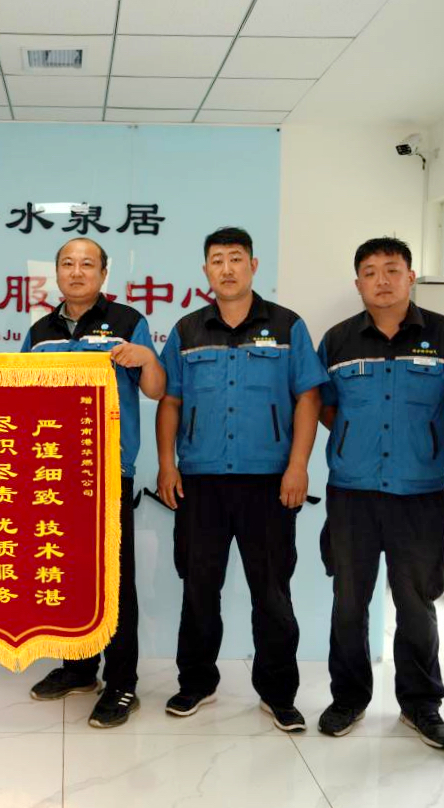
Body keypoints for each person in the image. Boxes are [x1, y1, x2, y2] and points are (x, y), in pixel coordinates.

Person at [156, 226, 326, 730]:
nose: (226, 268)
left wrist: (298, 465)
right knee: (198, 587)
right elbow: (170, 400)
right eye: (217, 260)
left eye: (235, 258)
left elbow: (308, 398)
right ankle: (196, 683)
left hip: (268, 482)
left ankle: (278, 692)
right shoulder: (187, 330)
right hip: (201, 482)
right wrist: (167, 463)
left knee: (272, 591)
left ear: (253, 266)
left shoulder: (287, 326)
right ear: (205, 270)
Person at [314, 237, 444, 747]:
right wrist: (355, 442)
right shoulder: (337, 341)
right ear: (357, 282)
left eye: (392, 269)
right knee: (349, 603)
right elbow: (325, 406)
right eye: (370, 271)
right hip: (352, 494)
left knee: (417, 604)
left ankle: (421, 705)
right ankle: (348, 698)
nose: (381, 280)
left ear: (411, 277)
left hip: (420, 495)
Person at [21, 237, 166, 728]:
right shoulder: (40, 332)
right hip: (53, 474)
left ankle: (122, 683)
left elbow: (156, 389)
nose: (76, 271)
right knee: (67, 574)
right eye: (68, 263)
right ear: (57, 273)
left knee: (115, 581)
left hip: (107, 473)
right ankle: (79, 669)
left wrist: (146, 359)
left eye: (87, 264)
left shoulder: (128, 321)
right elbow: (18, 395)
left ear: (104, 274)